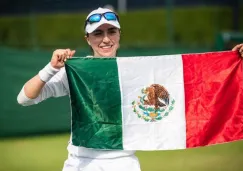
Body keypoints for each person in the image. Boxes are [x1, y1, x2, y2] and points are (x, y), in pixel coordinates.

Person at [17, 6, 243, 171]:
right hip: (79, 163)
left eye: (111, 32)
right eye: (98, 33)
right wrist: (50, 68)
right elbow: (24, 98)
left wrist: (230, 62)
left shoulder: (136, 72)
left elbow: (197, 81)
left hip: (124, 163)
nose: (105, 39)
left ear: (119, 35)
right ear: (87, 39)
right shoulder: (75, 71)